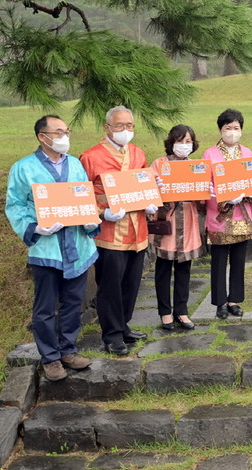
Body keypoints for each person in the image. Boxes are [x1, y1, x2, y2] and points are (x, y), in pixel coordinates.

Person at [6, 115, 99, 381]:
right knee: (45, 307)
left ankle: (68, 350)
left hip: (78, 245)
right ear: (42, 137)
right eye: (58, 132)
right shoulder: (23, 168)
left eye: (66, 131)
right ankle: (50, 358)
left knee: (72, 303)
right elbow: (15, 205)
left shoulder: (75, 164)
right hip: (47, 250)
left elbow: (84, 195)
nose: (64, 137)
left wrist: (91, 217)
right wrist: (34, 227)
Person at [80, 106, 157, 355]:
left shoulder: (137, 153)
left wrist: (151, 201)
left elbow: (145, 183)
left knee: (131, 283)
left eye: (130, 126)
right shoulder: (91, 157)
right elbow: (82, 193)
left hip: (138, 230)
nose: (126, 130)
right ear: (107, 128)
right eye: (120, 126)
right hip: (110, 233)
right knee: (110, 285)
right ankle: (111, 334)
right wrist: (102, 212)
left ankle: (123, 325)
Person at [203, 109, 252, 319]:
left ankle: (234, 300)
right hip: (220, 215)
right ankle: (219, 302)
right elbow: (205, 186)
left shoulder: (248, 153)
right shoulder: (209, 154)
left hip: (243, 214)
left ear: (241, 130)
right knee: (219, 261)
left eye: (236, 128)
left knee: (239, 259)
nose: (232, 132)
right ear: (220, 129)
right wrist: (224, 198)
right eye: (228, 128)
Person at [149, 124, 205, 330]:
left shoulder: (196, 166)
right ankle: (165, 312)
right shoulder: (159, 164)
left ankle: (181, 311)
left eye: (188, 141)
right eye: (180, 141)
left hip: (188, 221)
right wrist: (161, 192)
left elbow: (203, 198)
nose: (184, 145)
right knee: (163, 268)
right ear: (171, 142)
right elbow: (149, 190)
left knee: (184, 268)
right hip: (168, 221)